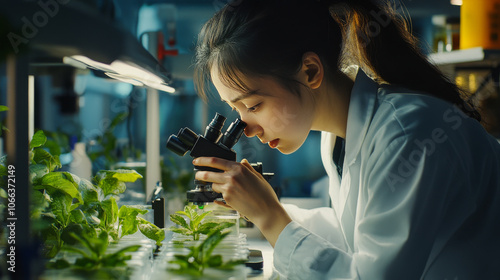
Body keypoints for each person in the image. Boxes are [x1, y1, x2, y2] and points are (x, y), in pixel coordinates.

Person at [191, 0, 500, 279]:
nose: (247, 128)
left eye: (254, 105)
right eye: (236, 110)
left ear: (310, 71)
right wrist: (257, 206)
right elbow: (355, 234)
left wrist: (270, 217)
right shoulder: (338, 136)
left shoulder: (407, 133)